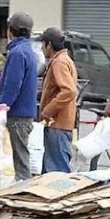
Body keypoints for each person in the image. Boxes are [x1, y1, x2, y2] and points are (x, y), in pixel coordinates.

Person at [0, 12, 38, 181]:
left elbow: (12, 85)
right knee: (20, 158)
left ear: (10, 30)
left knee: (21, 163)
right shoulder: (29, 51)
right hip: (25, 114)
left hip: (17, 115)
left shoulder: (17, 53)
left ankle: (24, 195)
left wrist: (1, 107)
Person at [36, 27, 77, 173]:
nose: (42, 49)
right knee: (51, 171)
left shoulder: (59, 62)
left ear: (49, 45)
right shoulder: (64, 60)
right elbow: (56, 89)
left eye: (42, 45)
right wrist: (40, 95)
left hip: (57, 124)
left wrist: (47, 111)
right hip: (59, 125)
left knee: (56, 174)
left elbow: (69, 90)